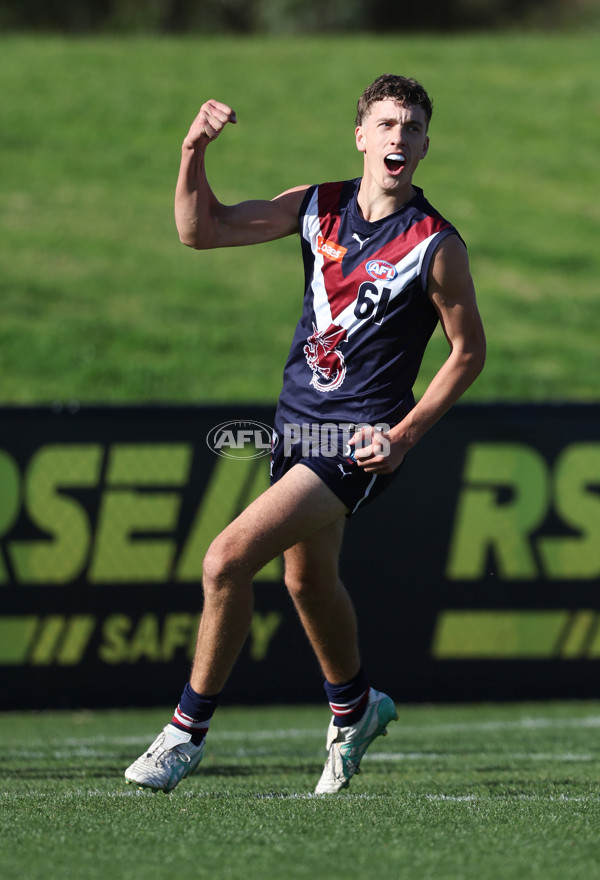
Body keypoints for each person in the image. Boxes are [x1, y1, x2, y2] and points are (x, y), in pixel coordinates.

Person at [125, 74, 486, 795]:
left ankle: (185, 733)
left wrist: (405, 436)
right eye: (386, 124)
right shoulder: (319, 206)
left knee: (226, 559)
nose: (398, 137)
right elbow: (202, 230)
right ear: (360, 135)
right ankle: (354, 707)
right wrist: (193, 150)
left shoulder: (435, 244)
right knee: (306, 579)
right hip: (297, 430)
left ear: (424, 145)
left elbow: (468, 351)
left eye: (412, 127)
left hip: (357, 443)